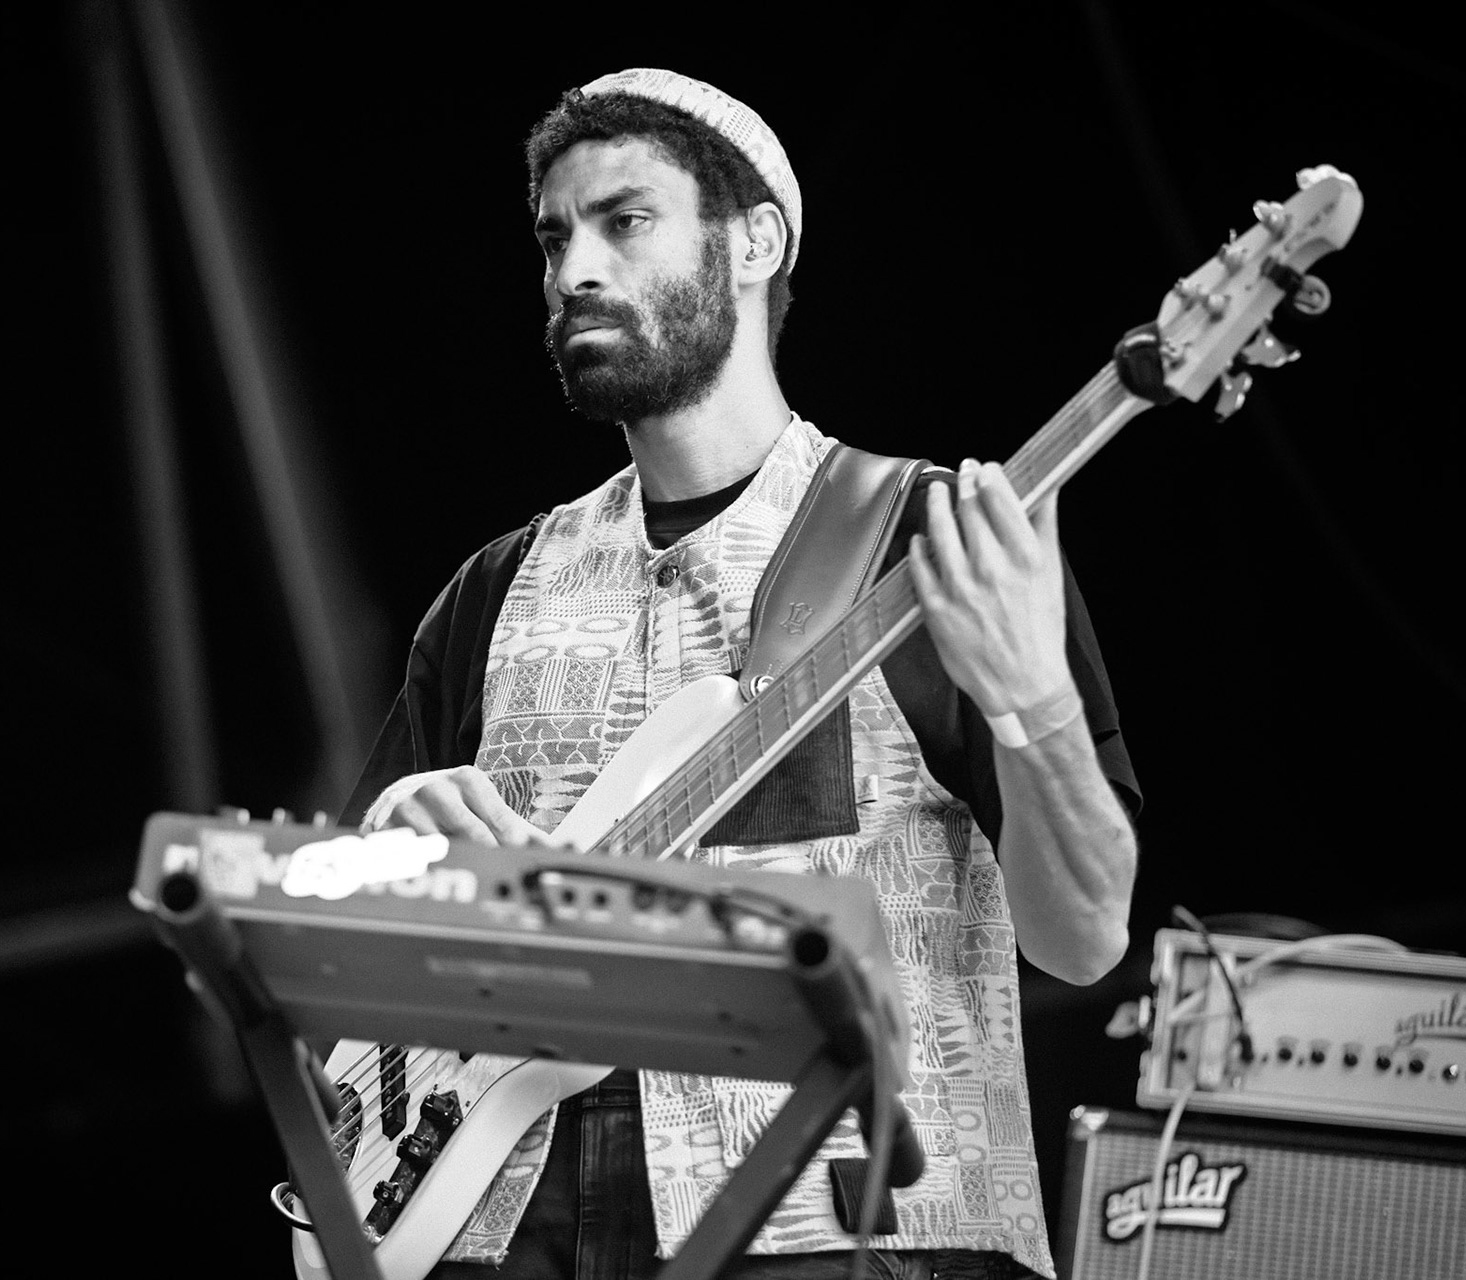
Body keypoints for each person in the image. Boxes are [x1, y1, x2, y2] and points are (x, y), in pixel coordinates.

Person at [340, 68, 1141, 1280]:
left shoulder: (934, 538)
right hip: (500, 1225)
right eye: (554, 240)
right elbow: (325, 960)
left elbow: (1084, 937)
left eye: (626, 220)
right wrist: (397, 844)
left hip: (844, 1229)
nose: (572, 272)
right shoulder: (491, 589)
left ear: (756, 240)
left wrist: (1032, 700)